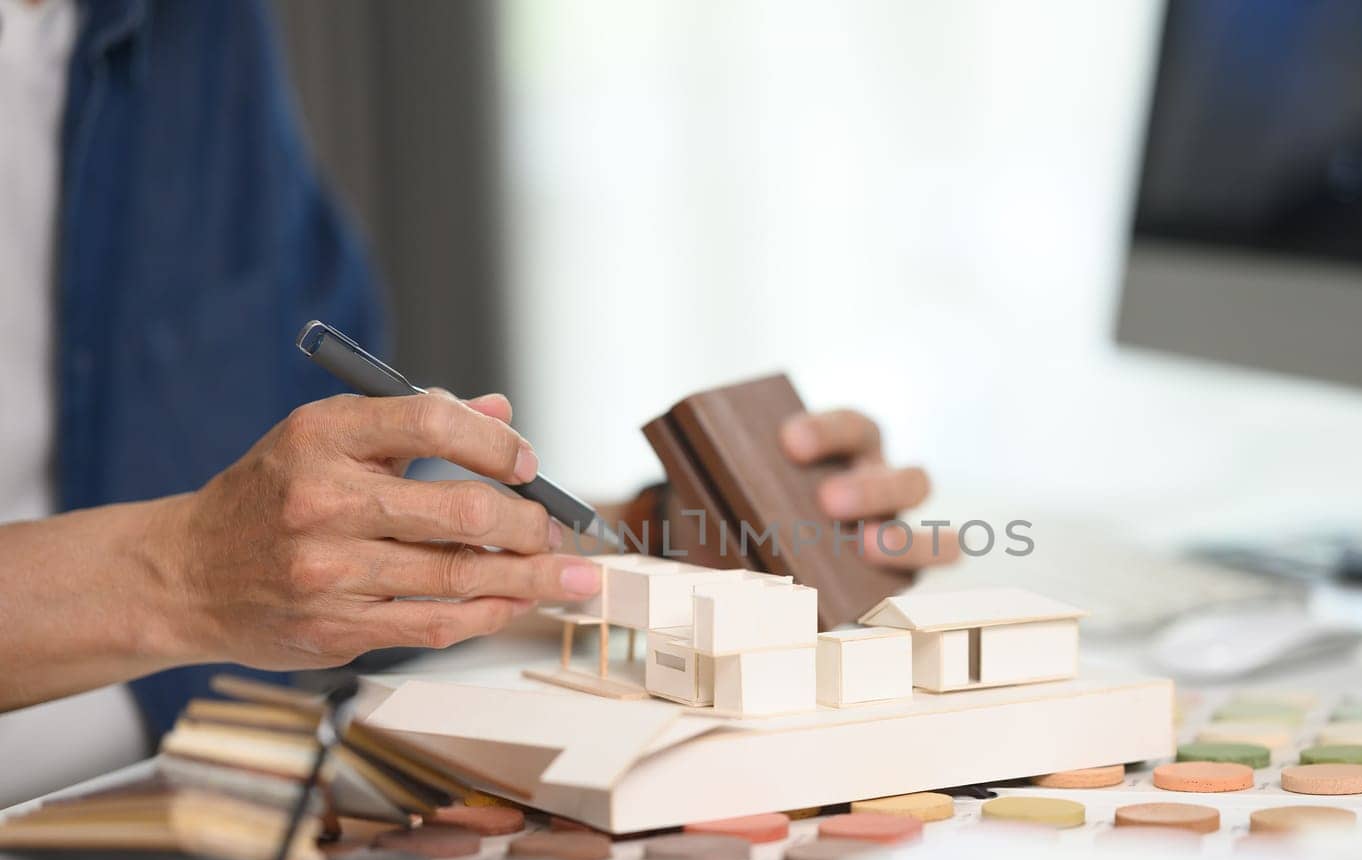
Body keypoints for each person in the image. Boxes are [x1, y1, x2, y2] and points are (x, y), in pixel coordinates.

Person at [0, 0, 943, 792]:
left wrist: (668, 546)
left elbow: (301, 563)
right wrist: (186, 571)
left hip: (190, 801)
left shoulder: (201, 31)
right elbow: (228, 562)